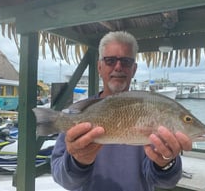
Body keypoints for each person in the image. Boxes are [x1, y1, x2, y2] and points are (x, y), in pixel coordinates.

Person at [51, 31, 192, 191]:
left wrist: (166, 163)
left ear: (134, 69)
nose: (118, 67)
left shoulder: (152, 114)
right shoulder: (77, 116)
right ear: (99, 66)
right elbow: (61, 178)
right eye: (110, 61)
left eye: (125, 61)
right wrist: (78, 162)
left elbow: (164, 182)